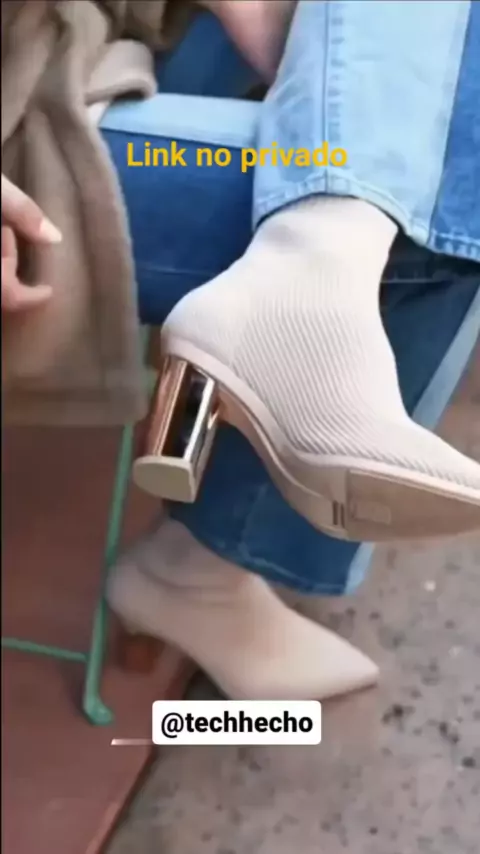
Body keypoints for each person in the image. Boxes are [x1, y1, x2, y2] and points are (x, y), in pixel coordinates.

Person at [2, 1, 479, 700]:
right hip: (27, 128)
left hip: (100, 35)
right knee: (438, 203)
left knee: (438, 76)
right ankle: (203, 570)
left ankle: (308, 271)